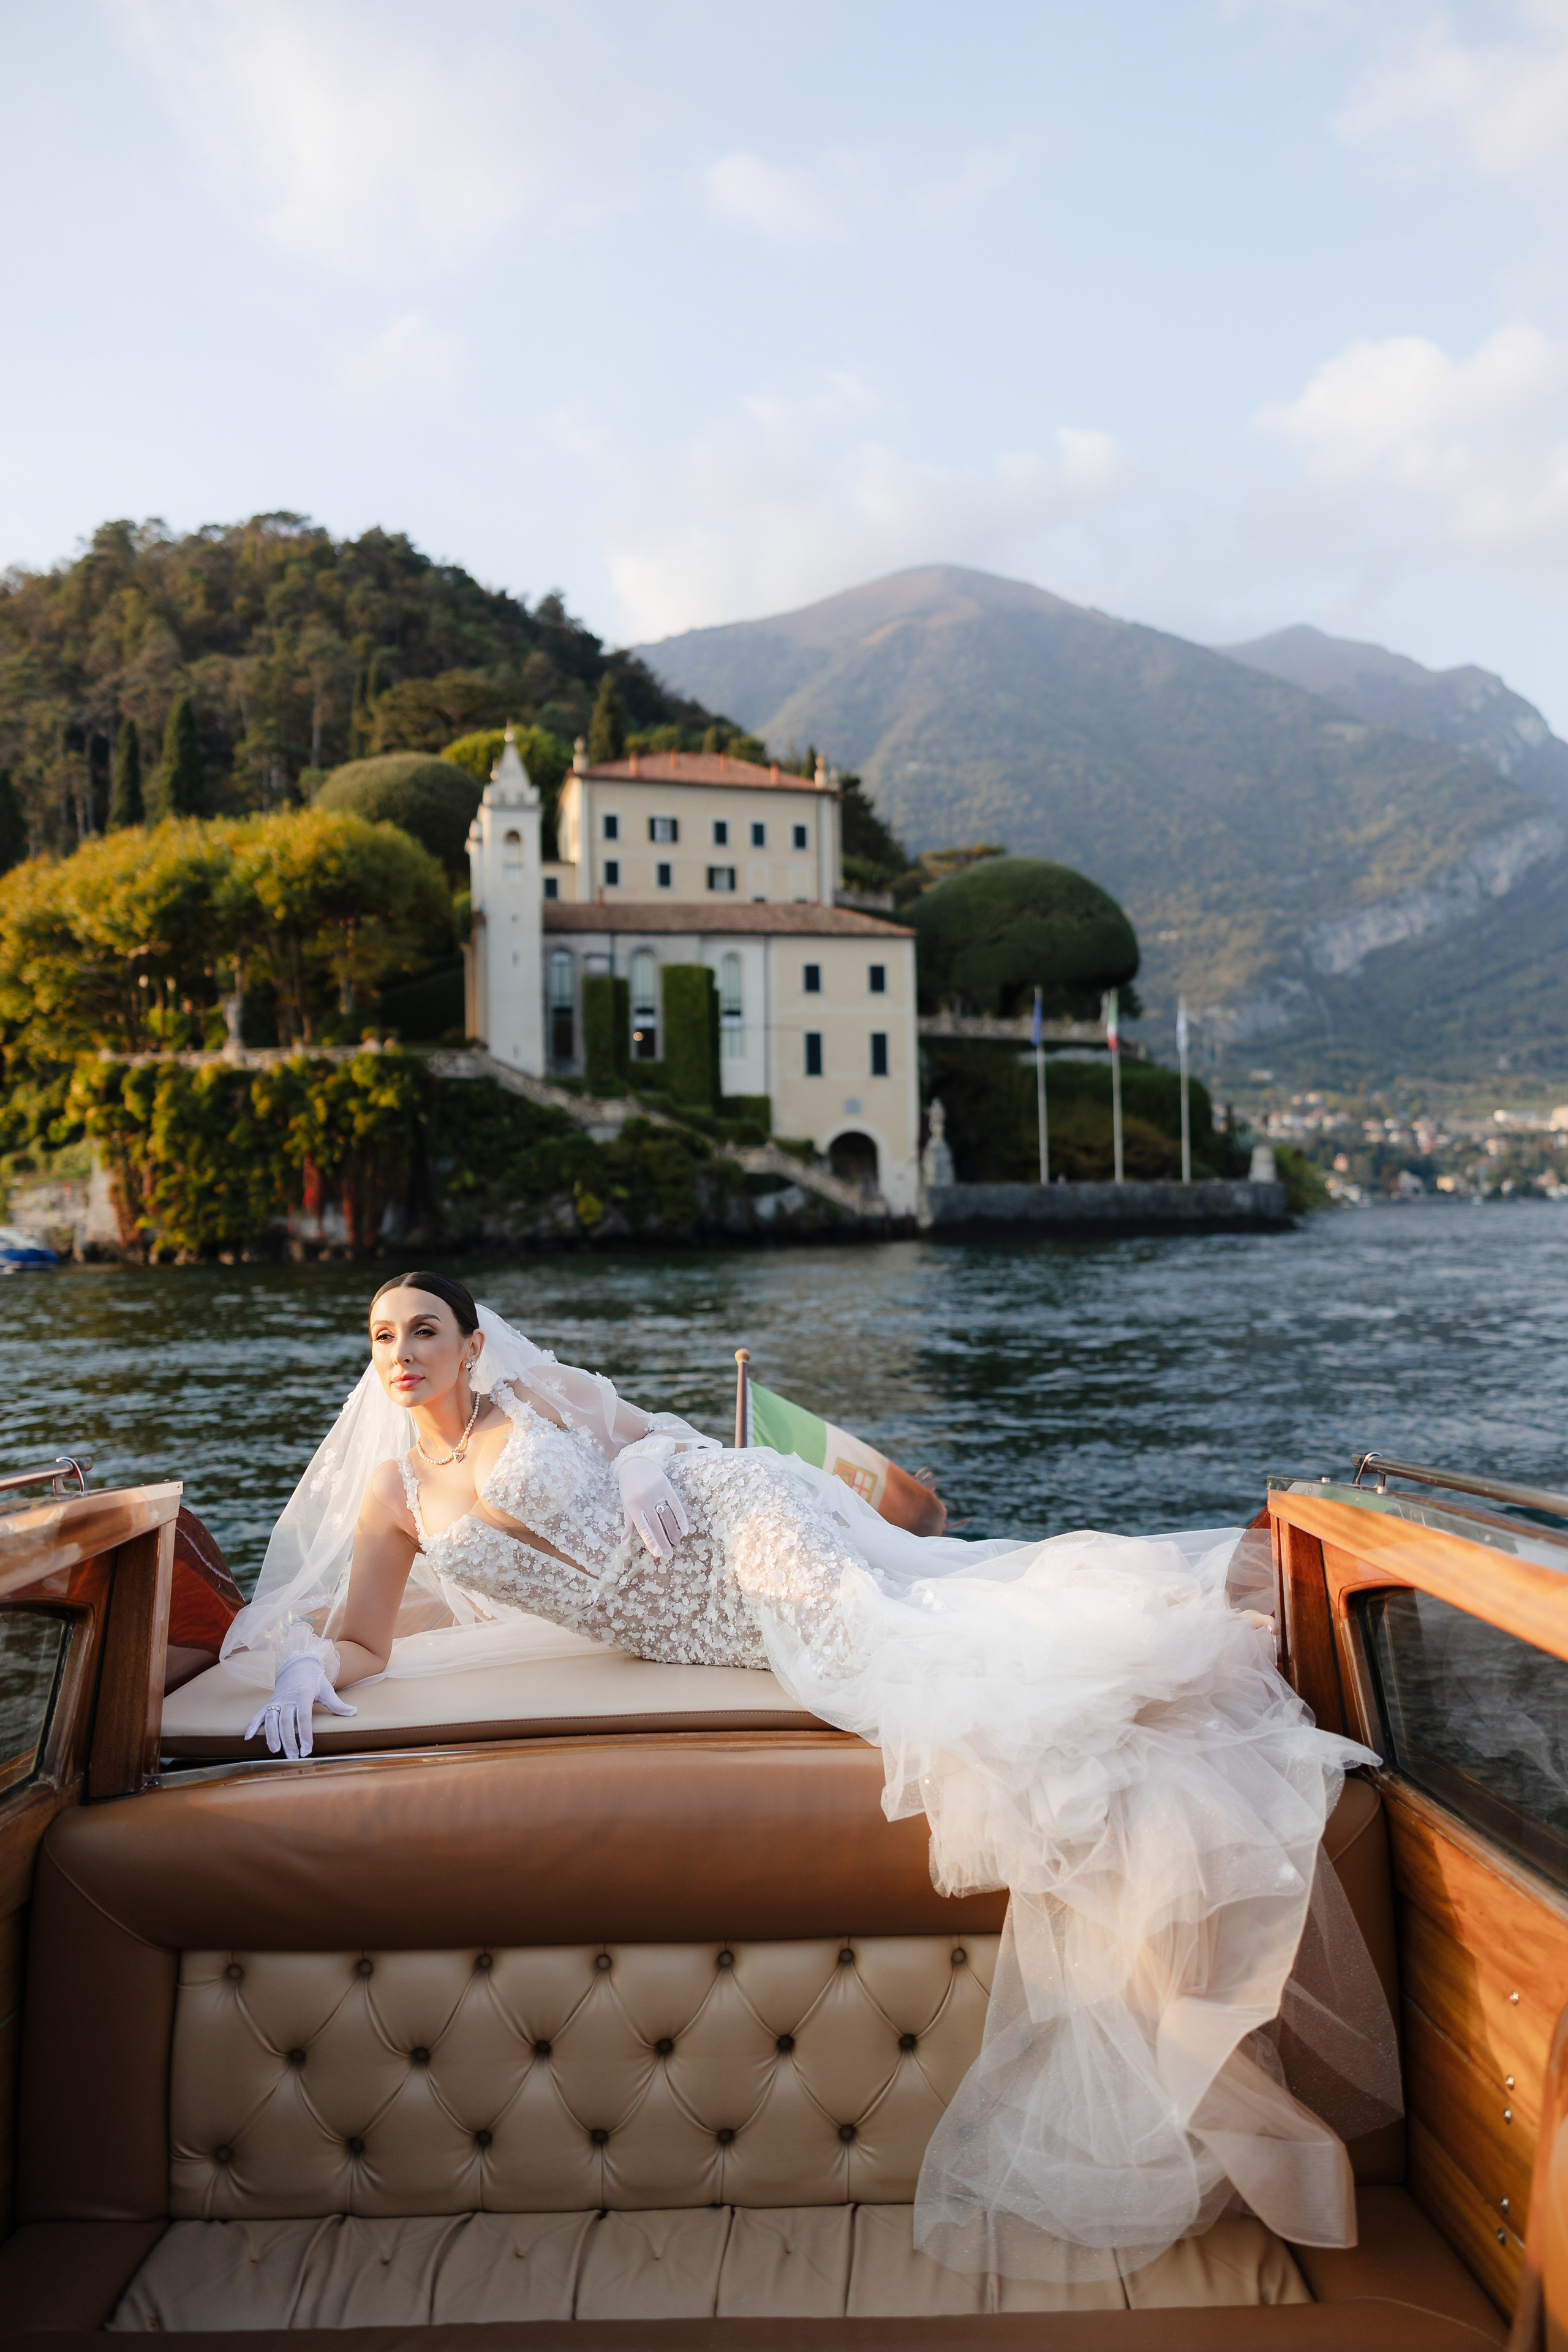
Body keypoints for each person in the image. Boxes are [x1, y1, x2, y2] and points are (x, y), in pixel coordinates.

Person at [223, 1272, 1400, 2288]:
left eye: (425, 1330)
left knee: (917, 1672)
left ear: (473, 1345)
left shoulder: (534, 1396)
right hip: (686, 1625)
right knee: (929, 1655)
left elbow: (654, 1435)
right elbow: (366, 1640)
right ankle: (1182, 1645)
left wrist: (651, 1465)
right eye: (382, 1337)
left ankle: (1204, 1632)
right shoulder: (393, 1496)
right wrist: (311, 1666)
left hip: (735, 1521)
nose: (402, 1353)